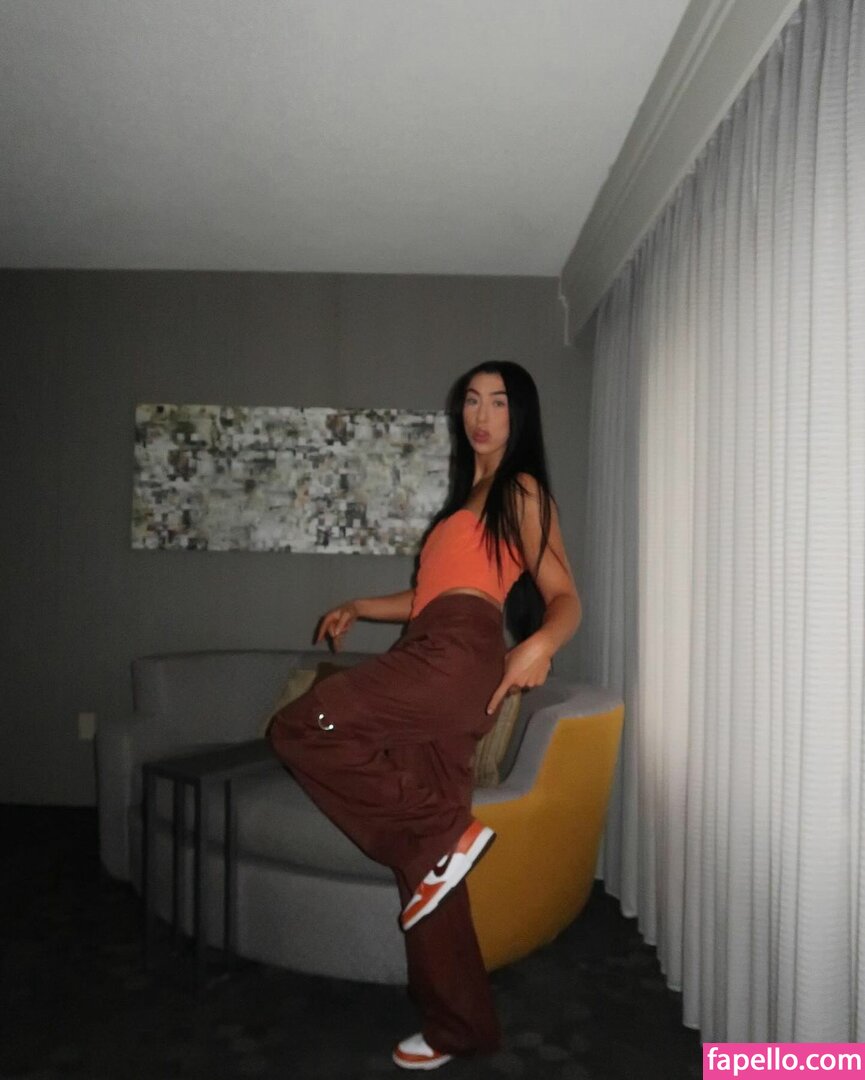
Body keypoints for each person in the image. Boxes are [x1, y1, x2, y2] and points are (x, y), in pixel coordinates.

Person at [268, 360, 581, 1070]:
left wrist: (539, 644)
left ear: (520, 415)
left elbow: (564, 594)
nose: (481, 415)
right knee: (427, 872)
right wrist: (358, 606)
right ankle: (458, 1027)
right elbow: (429, 597)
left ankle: (444, 834)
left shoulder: (520, 488)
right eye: (471, 400)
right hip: (437, 648)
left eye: (498, 402)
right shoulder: (465, 501)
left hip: (454, 656)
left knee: (299, 727)